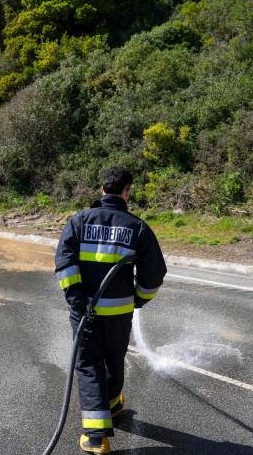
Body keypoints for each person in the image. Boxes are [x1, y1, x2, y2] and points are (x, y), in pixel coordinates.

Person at [54, 166, 166, 454]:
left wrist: (78, 302)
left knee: (89, 365)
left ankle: (96, 437)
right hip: (119, 314)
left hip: (85, 312)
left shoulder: (79, 221)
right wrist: (138, 299)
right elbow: (154, 275)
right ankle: (110, 410)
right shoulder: (138, 227)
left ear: (102, 189)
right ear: (127, 192)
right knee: (114, 359)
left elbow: (65, 265)